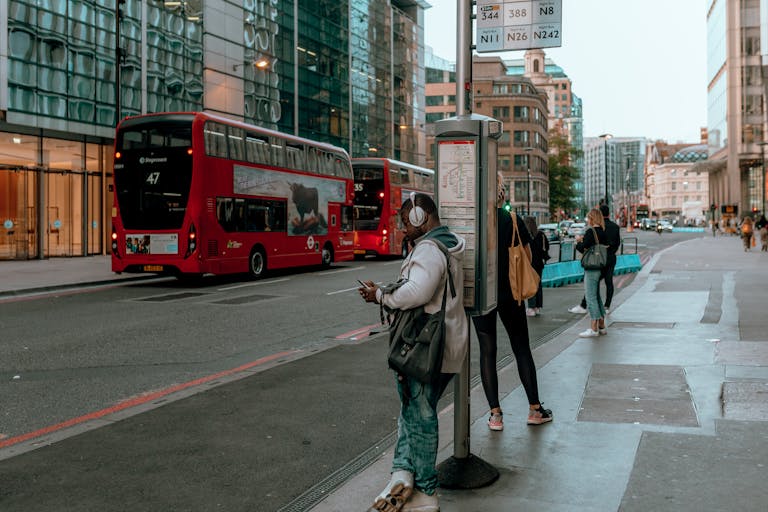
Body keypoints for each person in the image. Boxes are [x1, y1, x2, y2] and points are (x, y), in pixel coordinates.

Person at [358, 192, 467, 512]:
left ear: (422, 218)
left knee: (420, 416)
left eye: (407, 222)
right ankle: (403, 472)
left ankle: (425, 492)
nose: (404, 229)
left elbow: (418, 291)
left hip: (426, 346)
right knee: (413, 410)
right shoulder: (448, 242)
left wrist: (381, 296)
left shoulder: (430, 249)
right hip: (447, 341)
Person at [471, 175, 552, 433]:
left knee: (487, 351)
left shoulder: (472, 222)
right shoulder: (513, 220)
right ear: (501, 193)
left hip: (481, 294)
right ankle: (535, 409)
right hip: (510, 294)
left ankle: (495, 415)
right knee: (521, 348)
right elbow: (529, 257)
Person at [568, 204, 621, 315]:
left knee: (592, 287)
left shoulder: (594, 230)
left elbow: (585, 248)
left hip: (596, 261)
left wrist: (578, 242)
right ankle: (606, 306)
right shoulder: (614, 227)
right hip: (610, 258)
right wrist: (609, 252)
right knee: (608, 282)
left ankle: (585, 308)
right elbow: (617, 244)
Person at [575, 208, 608, 337]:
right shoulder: (602, 232)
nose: (588, 220)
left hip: (591, 267)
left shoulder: (591, 232)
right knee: (596, 295)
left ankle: (593, 328)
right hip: (601, 267)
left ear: (592, 218)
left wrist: (578, 242)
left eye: (589, 218)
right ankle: (601, 325)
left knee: (590, 297)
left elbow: (583, 248)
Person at [524, 215, 549, 317]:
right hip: (539, 263)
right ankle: (538, 307)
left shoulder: (526, 235)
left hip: (530, 263)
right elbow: (546, 246)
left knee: (531, 285)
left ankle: (531, 307)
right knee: (538, 284)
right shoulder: (541, 234)